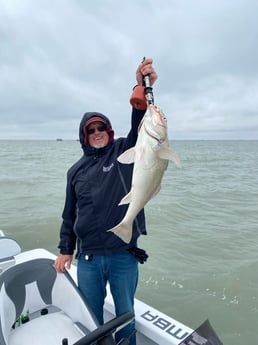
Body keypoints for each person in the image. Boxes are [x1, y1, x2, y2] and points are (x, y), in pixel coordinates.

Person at [54, 58, 158, 345]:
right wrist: (65, 251)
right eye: (91, 130)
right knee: (91, 317)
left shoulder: (124, 151)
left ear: (109, 131)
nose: (98, 132)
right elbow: (69, 216)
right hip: (87, 258)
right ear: (83, 136)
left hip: (123, 253)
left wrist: (142, 86)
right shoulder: (74, 171)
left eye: (102, 127)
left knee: (126, 313)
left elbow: (143, 125)